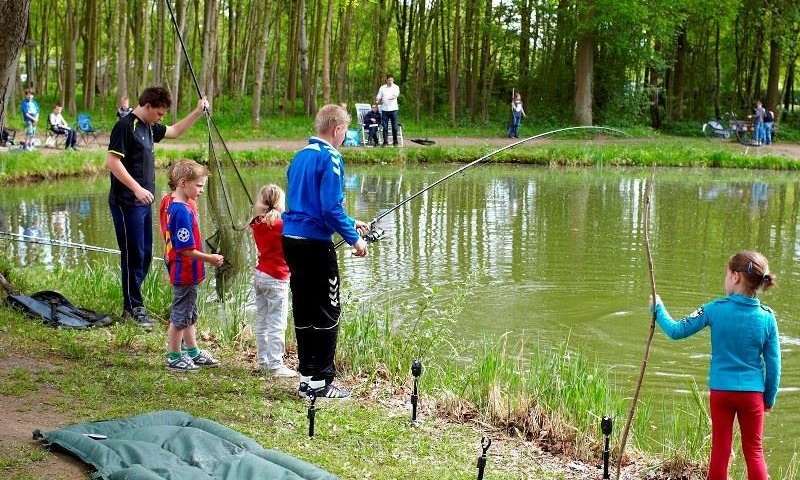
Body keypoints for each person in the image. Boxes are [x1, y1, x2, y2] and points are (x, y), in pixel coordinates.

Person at [649, 251, 780, 480]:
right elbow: (774, 365)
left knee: (720, 449)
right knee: (754, 451)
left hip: (721, 392)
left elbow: (676, 331)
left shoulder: (714, 309)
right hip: (753, 395)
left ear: (735, 276)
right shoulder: (767, 317)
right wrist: (768, 399)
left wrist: (657, 308)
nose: (725, 280)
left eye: (726, 274)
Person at [282, 104, 370, 399]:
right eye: (345, 131)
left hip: (291, 239)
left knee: (304, 307)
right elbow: (330, 208)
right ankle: (322, 382)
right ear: (337, 129)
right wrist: (355, 240)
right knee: (328, 310)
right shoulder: (331, 157)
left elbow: (309, 204)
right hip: (315, 244)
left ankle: (306, 377)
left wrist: (350, 221)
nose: (344, 137)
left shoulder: (300, 156)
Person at [106, 86, 208, 329]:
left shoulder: (149, 126)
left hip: (144, 203)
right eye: (159, 113)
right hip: (127, 202)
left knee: (144, 255)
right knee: (132, 254)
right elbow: (112, 162)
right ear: (147, 106)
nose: (161, 118)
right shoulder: (125, 126)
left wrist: (197, 111)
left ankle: (134, 302)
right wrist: (136, 189)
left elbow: (175, 131)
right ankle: (133, 308)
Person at [163, 160, 223, 372]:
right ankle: (173, 356)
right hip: (185, 271)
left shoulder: (177, 203)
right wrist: (210, 258)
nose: (201, 190)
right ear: (182, 183)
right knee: (180, 316)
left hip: (189, 271)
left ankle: (193, 351)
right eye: (198, 186)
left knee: (189, 313)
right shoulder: (180, 212)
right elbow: (185, 249)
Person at [250, 184, 296, 377]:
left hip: (260, 275)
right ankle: (276, 365)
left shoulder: (256, 223)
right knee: (277, 323)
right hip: (277, 279)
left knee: (262, 321)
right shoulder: (283, 225)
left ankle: (263, 361)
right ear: (280, 203)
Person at [375, 75, 400, 146]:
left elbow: (395, 96)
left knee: (394, 126)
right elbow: (378, 96)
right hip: (384, 110)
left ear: (393, 80)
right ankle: (385, 142)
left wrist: (386, 99)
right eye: (389, 80)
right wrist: (378, 100)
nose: (390, 82)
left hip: (393, 109)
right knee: (385, 126)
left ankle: (395, 141)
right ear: (386, 80)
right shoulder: (382, 87)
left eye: (392, 80)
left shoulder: (396, 87)